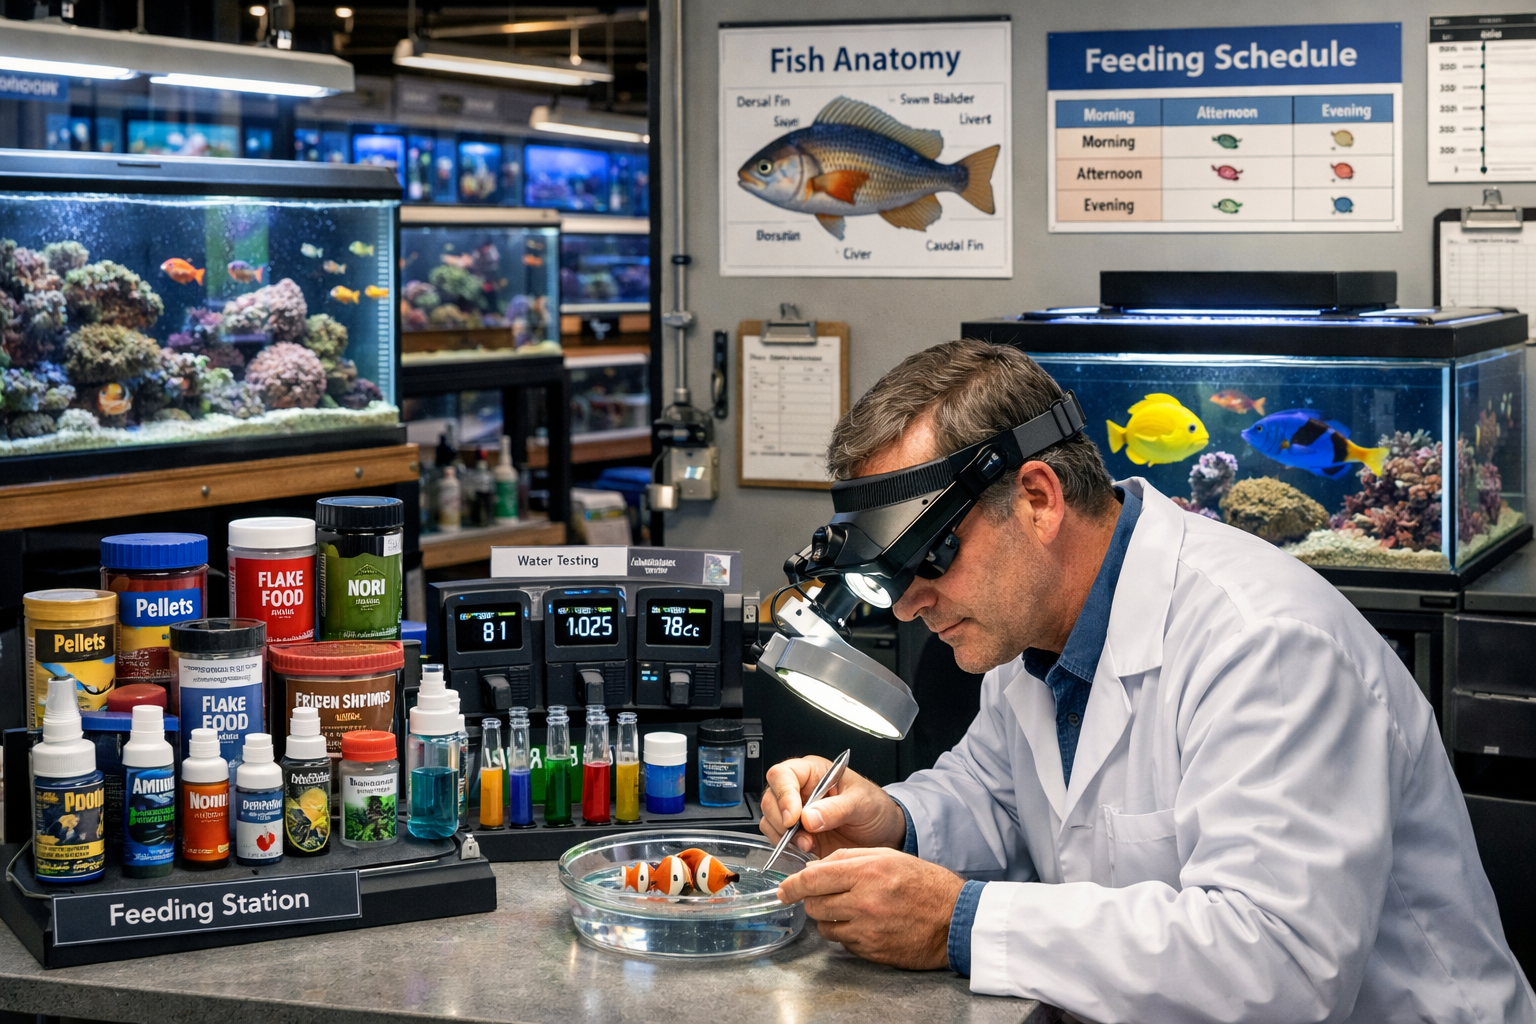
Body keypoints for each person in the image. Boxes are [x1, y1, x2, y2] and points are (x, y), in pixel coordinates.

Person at [761, 339, 1535, 1023]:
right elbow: (996, 798)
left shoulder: (1266, 645)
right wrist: (891, 820)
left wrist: (958, 923)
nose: (905, 607)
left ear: (1037, 500)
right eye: (885, 577)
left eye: (928, 560)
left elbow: (1280, 964)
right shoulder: (1030, 632)